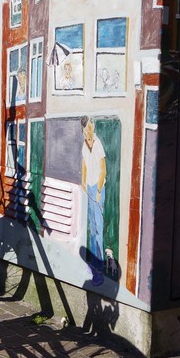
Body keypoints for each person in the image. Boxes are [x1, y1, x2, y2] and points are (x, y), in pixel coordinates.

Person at [81, 116, 106, 284]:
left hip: (98, 188)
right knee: (91, 227)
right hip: (89, 187)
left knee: (98, 230)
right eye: (86, 129)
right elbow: (84, 164)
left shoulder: (98, 144)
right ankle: (92, 264)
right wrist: (83, 181)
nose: (88, 131)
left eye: (90, 127)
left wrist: (98, 190)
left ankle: (99, 269)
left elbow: (103, 170)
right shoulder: (85, 145)